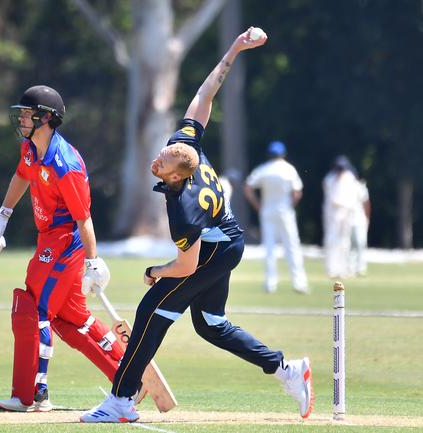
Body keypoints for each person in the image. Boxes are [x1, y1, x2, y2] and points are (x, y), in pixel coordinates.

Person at [81, 28, 313, 424]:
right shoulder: (187, 145)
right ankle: (287, 370)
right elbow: (204, 97)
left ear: (175, 177)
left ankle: (120, 399)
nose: (160, 156)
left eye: (165, 161)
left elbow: (186, 267)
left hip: (216, 249)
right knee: (210, 324)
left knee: (152, 307)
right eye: (166, 151)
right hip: (224, 239)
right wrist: (235, 50)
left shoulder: (183, 208)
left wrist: (155, 271)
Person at [0, 85, 129, 412]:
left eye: (27, 113)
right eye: (21, 113)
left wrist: (93, 262)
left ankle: (34, 394)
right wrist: (3, 214)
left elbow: (83, 217)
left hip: (65, 241)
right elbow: (22, 176)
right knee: (72, 319)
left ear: (46, 118)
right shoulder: (29, 149)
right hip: (47, 237)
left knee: (34, 308)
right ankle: (127, 376)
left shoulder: (65, 164)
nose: (21, 118)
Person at [244, 141, 310, 294]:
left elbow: (248, 187)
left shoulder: (264, 169)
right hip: (285, 211)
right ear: (283, 154)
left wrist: (258, 206)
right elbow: (297, 192)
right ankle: (299, 283)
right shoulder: (289, 169)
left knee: (269, 247)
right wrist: (290, 205)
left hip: (267, 211)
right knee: (292, 246)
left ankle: (270, 283)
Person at [322, 155, 360, 278]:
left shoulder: (350, 178)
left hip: (347, 213)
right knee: (332, 241)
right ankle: (332, 269)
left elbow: (354, 197)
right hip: (333, 214)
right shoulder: (329, 179)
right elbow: (332, 200)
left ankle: (344, 269)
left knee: (345, 242)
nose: (340, 171)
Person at [350, 177, 371, 276]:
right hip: (348, 220)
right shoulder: (345, 186)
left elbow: (366, 204)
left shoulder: (361, 187)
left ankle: (360, 269)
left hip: (359, 220)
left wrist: (367, 218)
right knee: (350, 246)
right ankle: (350, 268)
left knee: (360, 244)